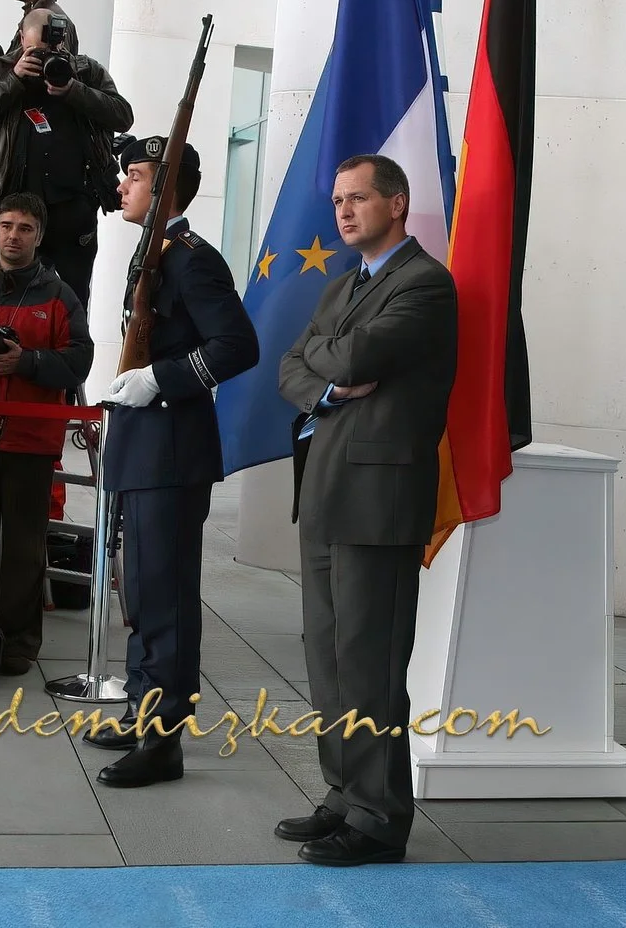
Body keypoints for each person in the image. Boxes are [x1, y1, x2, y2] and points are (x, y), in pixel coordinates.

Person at [273, 155, 457, 865]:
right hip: (323, 489)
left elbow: (354, 359)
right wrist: (326, 371)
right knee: (328, 655)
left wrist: (329, 362)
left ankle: (379, 817)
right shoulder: (345, 283)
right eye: (339, 200)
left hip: (378, 499)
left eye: (358, 199)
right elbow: (296, 366)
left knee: (371, 661)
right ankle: (344, 793)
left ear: (398, 203)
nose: (344, 211)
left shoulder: (426, 285)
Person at [80, 138, 257, 788]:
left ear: (169, 189)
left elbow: (238, 344)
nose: (123, 183)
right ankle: (141, 706)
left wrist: (161, 379)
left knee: (166, 596)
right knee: (143, 593)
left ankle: (163, 739)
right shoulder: (151, 255)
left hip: (172, 448)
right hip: (143, 445)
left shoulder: (190, 260)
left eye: (137, 175)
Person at [0, 193, 93, 674]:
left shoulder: (59, 295)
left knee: (24, 550)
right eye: (6, 225)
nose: (14, 235)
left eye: (25, 228)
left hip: (32, 443)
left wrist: (26, 361)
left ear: (39, 235)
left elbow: (80, 360)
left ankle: (18, 644)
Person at [0, 6, 130, 302]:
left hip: (72, 205)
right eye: (37, 52)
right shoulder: (2, 68)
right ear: (21, 40)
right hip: (16, 202)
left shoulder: (85, 70)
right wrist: (13, 80)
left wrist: (73, 89)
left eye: (53, 49)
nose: (45, 59)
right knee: (10, 292)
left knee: (73, 297)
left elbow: (122, 116)